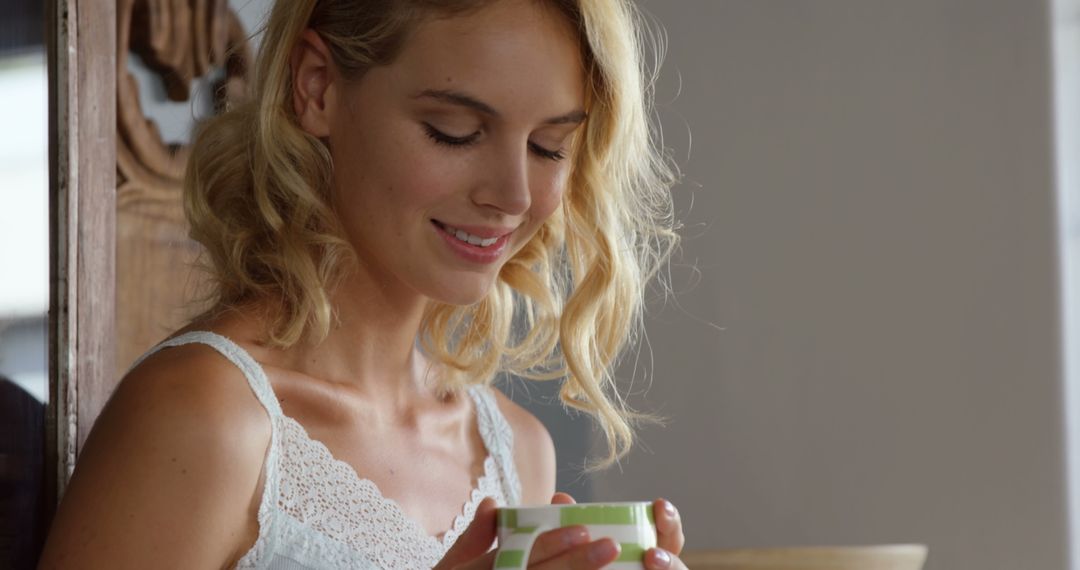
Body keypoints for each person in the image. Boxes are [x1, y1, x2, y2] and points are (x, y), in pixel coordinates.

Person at [39, 0, 686, 568]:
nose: (513, 196)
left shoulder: (517, 451)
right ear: (318, 87)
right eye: (454, 131)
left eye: (549, 146)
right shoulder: (202, 418)